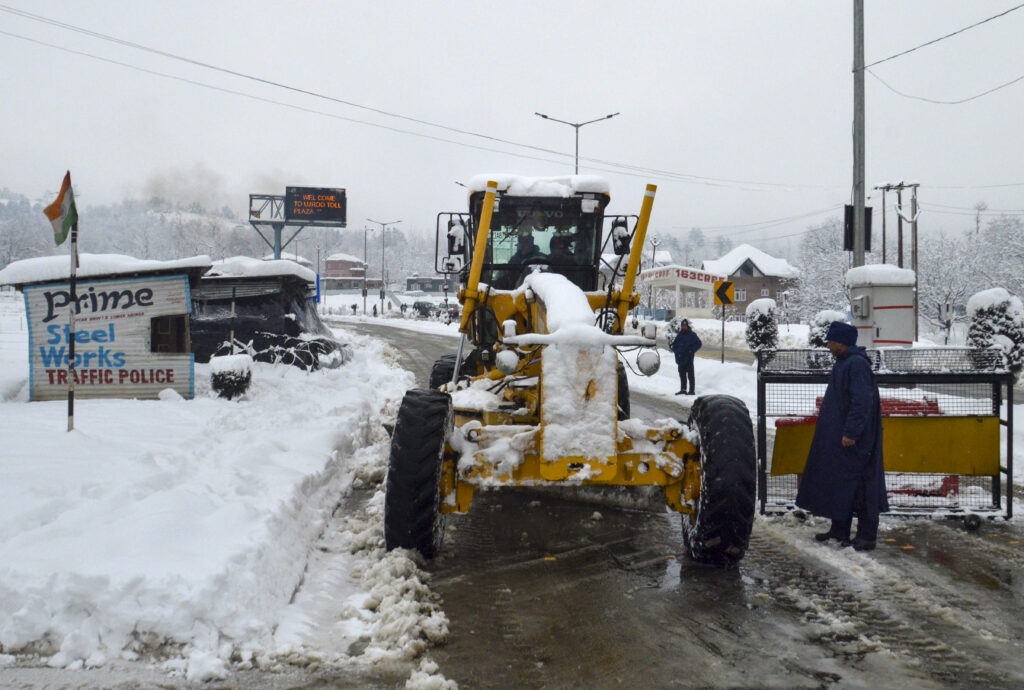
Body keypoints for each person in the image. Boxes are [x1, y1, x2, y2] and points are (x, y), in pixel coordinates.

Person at [796, 321, 888, 552]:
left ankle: (867, 536)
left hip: (855, 440)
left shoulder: (855, 365)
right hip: (842, 436)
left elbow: (861, 403)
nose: (828, 345)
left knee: (862, 485)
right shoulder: (845, 363)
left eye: (831, 341)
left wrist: (850, 433)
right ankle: (840, 530)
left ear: (841, 342)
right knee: (841, 483)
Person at [671, 318, 702, 395]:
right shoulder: (680, 335)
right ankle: (683, 389)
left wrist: (691, 350)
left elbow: (699, 344)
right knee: (682, 375)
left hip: (689, 359)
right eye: (682, 326)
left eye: (685, 326)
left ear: (688, 326)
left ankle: (691, 391)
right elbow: (674, 344)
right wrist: (675, 350)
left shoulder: (692, 335)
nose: (684, 327)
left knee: (690, 375)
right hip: (680, 358)